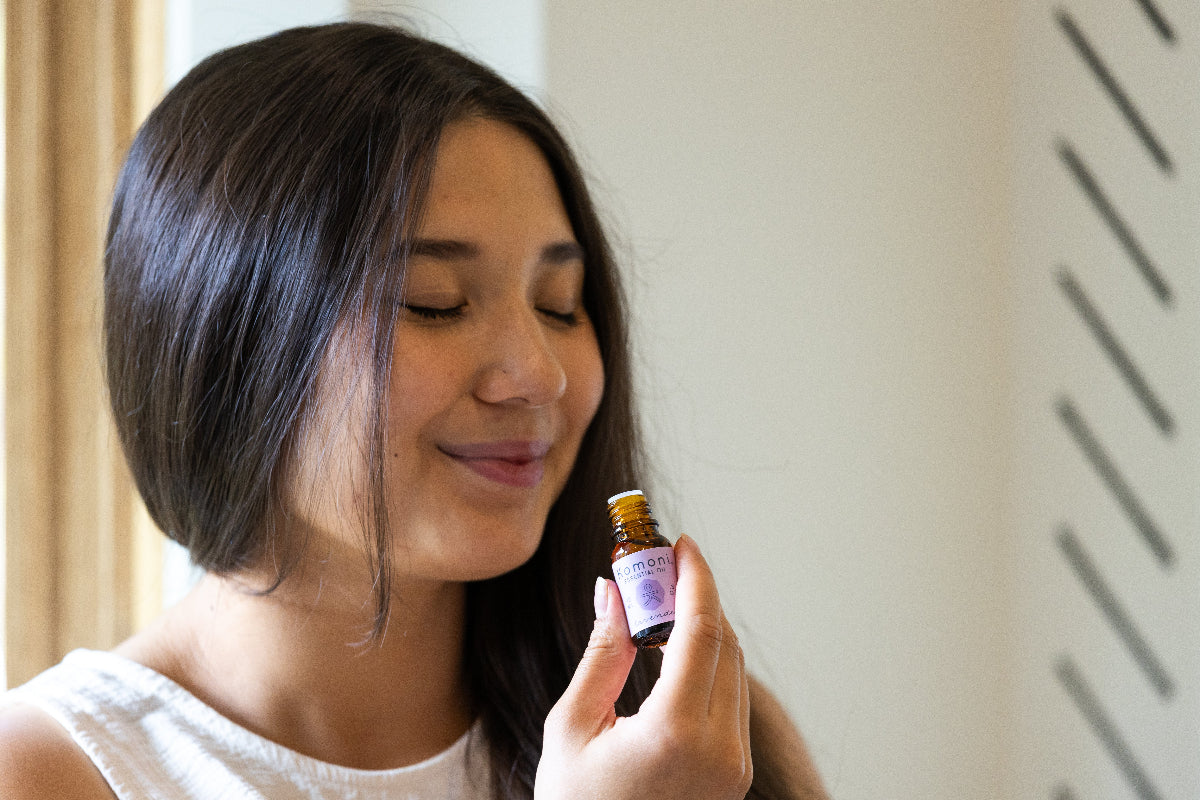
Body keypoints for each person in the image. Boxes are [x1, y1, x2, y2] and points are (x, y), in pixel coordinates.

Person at [0, 22, 826, 800]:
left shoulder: (689, 737)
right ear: (228, 342)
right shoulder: (52, 770)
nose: (537, 376)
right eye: (432, 302)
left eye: (561, 303)